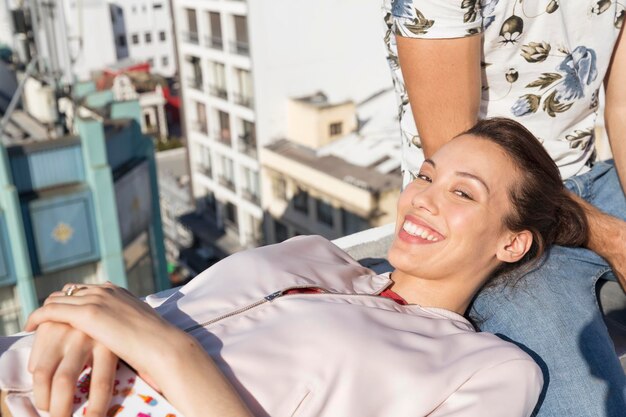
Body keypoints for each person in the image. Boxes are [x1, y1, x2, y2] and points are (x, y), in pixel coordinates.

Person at [1, 119, 585, 417]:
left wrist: (168, 353)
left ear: (512, 244)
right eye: (427, 175)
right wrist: (81, 310)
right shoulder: (311, 251)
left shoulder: (488, 370)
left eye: (464, 194)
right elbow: (155, 309)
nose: (423, 198)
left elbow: (160, 337)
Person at [381, 1, 626, 416]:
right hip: (494, 215)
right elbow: (460, 161)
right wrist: (616, 240)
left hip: (593, 180)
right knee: (589, 407)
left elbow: (621, 107)